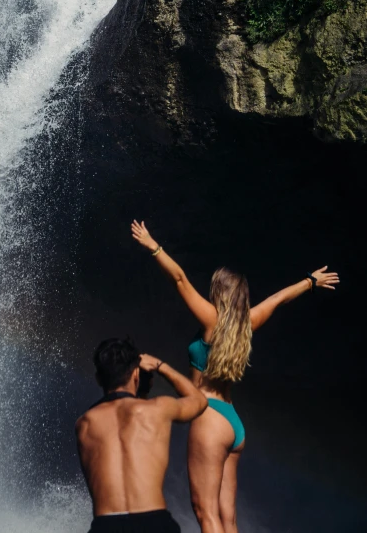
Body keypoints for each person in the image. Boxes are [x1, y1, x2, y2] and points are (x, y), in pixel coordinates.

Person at [131, 220, 340, 533]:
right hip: (233, 423)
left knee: (206, 514)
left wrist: (154, 246)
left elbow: (179, 280)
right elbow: (277, 299)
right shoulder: (248, 324)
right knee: (228, 518)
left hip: (209, 418)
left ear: (218, 292)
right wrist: (310, 281)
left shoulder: (212, 321)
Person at [76, 336, 208, 533]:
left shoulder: (84, 424)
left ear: (98, 379)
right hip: (153, 523)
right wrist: (159, 365)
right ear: (136, 374)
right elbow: (198, 401)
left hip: (106, 526)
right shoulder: (157, 409)